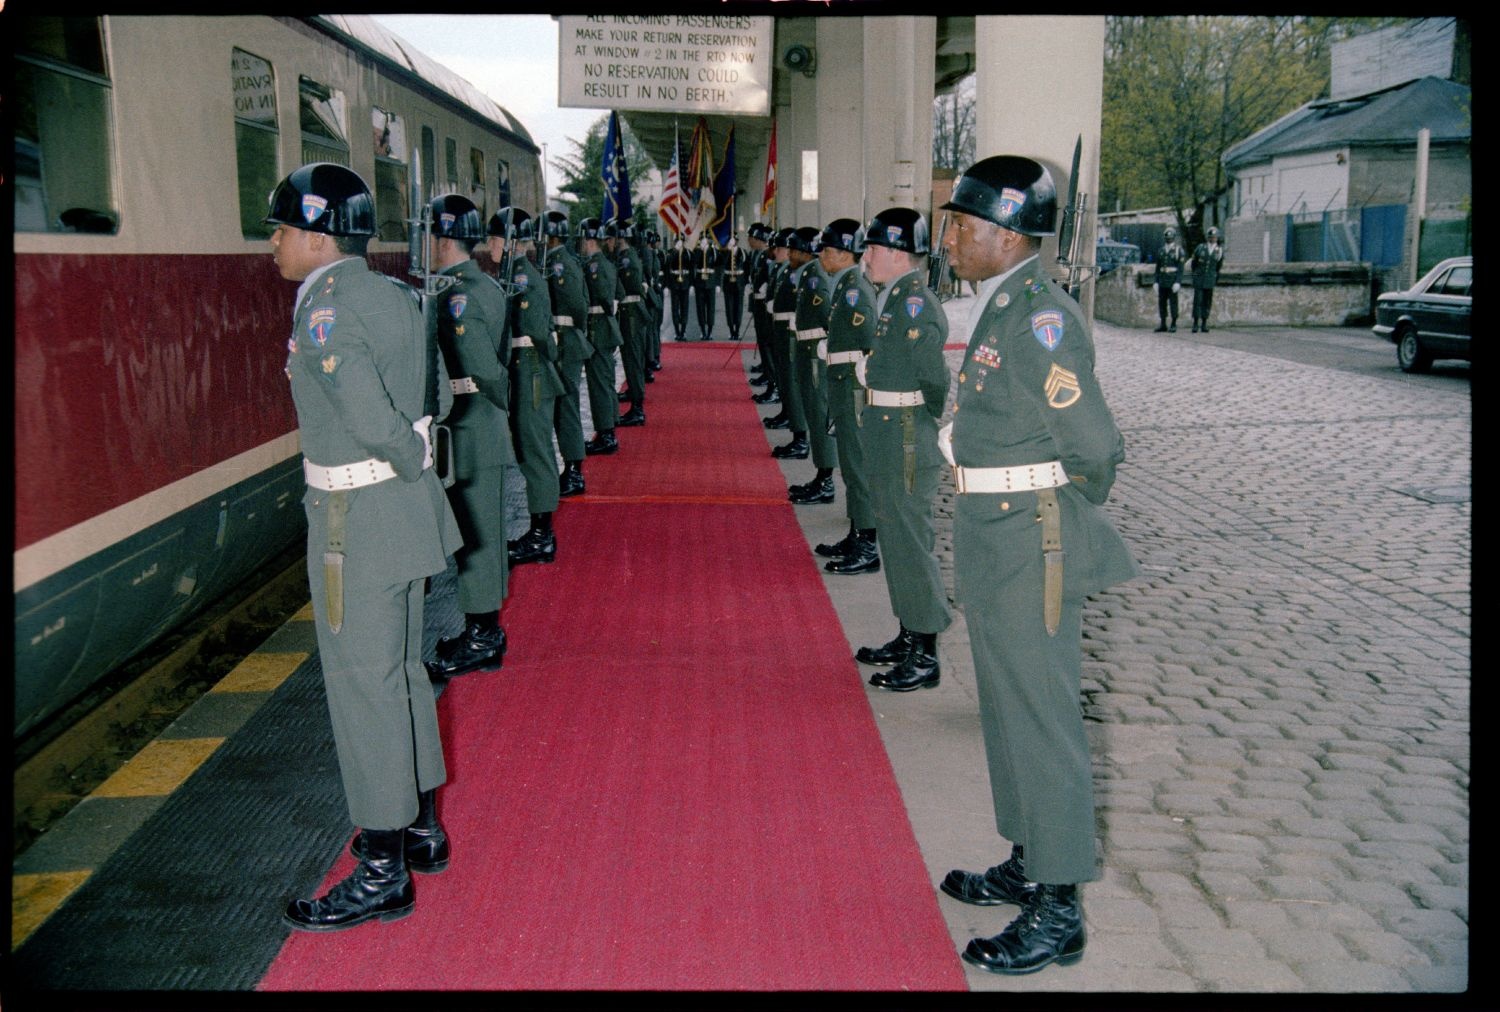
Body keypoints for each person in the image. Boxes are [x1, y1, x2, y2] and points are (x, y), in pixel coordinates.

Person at [937, 155, 1139, 974]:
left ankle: (1059, 906)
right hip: (996, 528)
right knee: (1007, 706)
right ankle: (1030, 857)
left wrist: (1051, 496)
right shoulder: (1004, 307)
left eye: (961, 224)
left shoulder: (1040, 319)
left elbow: (1094, 446)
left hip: (1031, 535)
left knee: (1044, 719)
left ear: (1006, 233)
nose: (948, 238)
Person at [266, 162, 461, 931]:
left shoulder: (326, 310)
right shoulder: (396, 294)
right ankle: (420, 827)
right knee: (402, 673)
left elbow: (367, 410)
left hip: (355, 517)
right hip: (405, 516)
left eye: (280, 230)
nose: (273, 245)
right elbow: (438, 397)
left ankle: (383, 868)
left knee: (364, 688)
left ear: (317, 239)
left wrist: (400, 455)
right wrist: (414, 461)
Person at [853, 207, 952, 688]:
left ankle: (926, 649)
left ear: (896, 252)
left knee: (911, 542)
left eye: (872, 248)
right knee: (894, 538)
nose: (865, 256)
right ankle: (908, 630)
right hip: (889, 430)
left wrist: (920, 415)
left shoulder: (916, 302)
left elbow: (935, 377)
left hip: (906, 435)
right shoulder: (894, 298)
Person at [423, 194, 512, 680]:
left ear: (442, 240)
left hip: (472, 422)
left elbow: (483, 367)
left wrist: (496, 401)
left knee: (475, 534)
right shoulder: (479, 284)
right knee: (480, 531)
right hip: (476, 422)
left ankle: (481, 636)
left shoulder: (459, 294)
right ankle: (483, 629)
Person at [489, 207, 563, 566]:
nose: (489, 245)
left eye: (494, 238)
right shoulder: (513, 274)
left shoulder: (522, 277)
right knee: (530, 450)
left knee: (536, 453)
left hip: (531, 370)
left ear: (509, 242)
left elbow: (537, 330)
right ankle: (538, 531)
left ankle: (541, 535)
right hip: (525, 368)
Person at [812, 217, 879, 570]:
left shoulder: (855, 289)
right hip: (841, 381)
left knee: (857, 464)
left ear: (844, 254)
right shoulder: (844, 284)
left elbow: (869, 340)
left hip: (853, 386)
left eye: (827, 249)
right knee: (851, 467)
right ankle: (857, 531)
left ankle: (867, 543)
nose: (821, 255)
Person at [543, 211, 593, 497]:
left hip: (565, 341)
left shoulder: (561, 264)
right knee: (563, 406)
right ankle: (571, 467)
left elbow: (577, 305)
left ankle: (574, 471)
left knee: (567, 406)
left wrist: (574, 333)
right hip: (562, 339)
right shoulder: (553, 261)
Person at [786, 225, 835, 493]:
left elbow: (828, 315)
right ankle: (821, 473)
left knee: (818, 414)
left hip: (815, 352)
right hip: (806, 349)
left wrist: (824, 344)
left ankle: (826, 479)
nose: (790, 253)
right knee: (813, 414)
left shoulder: (816, 276)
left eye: (794, 249)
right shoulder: (807, 274)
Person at [577, 217, 623, 455]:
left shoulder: (596, 265)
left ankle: (606, 434)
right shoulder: (600, 262)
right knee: (604, 380)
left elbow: (604, 298)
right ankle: (608, 427)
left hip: (600, 329)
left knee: (599, 384)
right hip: (602, 328)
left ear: (589, 239)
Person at [611, 219, 650, 425]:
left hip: (632, 313)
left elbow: (631, 285)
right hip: (631, 312)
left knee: (633, 359)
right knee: (630, 358)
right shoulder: (626, 256)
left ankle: (637, 407)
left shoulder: (626, 259)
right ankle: (635, 397)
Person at [761, 228, 799, 434]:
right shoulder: (783, 269)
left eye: (781, 248)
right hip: (779, 326)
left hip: (787, 329)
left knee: (788, 377)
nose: (776, 252)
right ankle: (786, 412)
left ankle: (791, 417)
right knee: (783, 376)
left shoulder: (793, 272)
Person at [745, 223, 779, 403]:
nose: (749, 241)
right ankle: (768, 374)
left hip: (766, 304)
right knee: (763, 341)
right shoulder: (758, 255)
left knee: (767, 343)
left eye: (752, 238)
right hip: (760, 301)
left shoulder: (767, 257)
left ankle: (771, 379)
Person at [1189, 225, 1224, 332]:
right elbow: (1193, 263)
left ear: (1217, 238)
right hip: (1199, 278)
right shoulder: (1200, 248)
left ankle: (1204, 323)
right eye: (1210, 237)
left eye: (1214, 237)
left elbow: (1218, 266)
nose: (1212, 239)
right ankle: (1195, 323)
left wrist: (1214, 278)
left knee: (1207, 302)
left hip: (1209, 279)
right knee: (1197, 301)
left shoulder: (1219, 251)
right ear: (1207, 238)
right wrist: (1195, 275)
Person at [691, 233, 724, 340]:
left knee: (710, 308)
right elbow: (693, 264)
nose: (704, 242)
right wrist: (701, 250)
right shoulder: (697, 251)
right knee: (700, 308)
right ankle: (702, 331)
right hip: (699, 282)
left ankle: (710, 331)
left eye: (706, 240)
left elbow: (719, 267)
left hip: (711, 282)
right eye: (702, 240)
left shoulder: (714, 251)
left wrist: (718, 283)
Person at [1154, 225, 1186, 332]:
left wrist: (1178, 282)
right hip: (1162, 280)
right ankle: (1163, 323)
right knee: (1162, 303)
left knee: (1173, 303)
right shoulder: (1161, 251)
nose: (1168, 240)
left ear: (1174, 238)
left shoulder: (1178, 251)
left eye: (1170, 238)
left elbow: (1180, 269)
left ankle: (1173, 323)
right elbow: (1157, 268)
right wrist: (1156, 281)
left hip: (1172, 281)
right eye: (1167, 238)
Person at [664, 234, 693, 341]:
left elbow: (691, 268)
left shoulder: (688, 253)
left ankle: (683, 330)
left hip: (685, 282)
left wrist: (691, 285)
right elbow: (668, 267)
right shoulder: (671, 252)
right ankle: (677, 331)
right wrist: (666, 286)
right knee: (675, 308)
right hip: (674, 283)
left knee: (684, 308)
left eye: (681, 241)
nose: (679, 243)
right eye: (677, 241)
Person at [720, 233, 749, 341]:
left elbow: (746, 267)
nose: (734, 242)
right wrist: (728, 250)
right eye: (731, 240)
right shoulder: (725, 252)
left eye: (735, 240)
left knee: (738, 307)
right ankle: (731, 330)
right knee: (729, 308)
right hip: (728, 282)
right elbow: (722, 262)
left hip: (739, 282)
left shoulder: (742, 252)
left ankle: (737, 331)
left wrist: (746, 283)